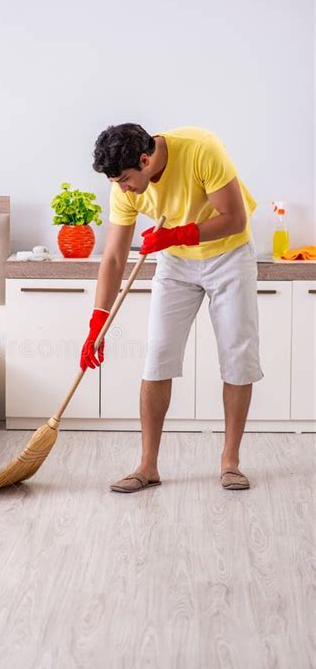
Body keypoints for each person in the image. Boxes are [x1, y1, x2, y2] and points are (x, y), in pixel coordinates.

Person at [81, 124, 263, 492]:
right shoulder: (124, 185)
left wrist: (176, 234)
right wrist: (97, 322)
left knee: (236, 355)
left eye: (126, 180)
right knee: (158, 355)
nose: (122, 189)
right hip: (176, 262)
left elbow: (235, 218)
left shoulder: (201, 149)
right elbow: (115, 257)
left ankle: (230, 461)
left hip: (228, 255)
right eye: (115, 181)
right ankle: (148, 466)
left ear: (145, 160)